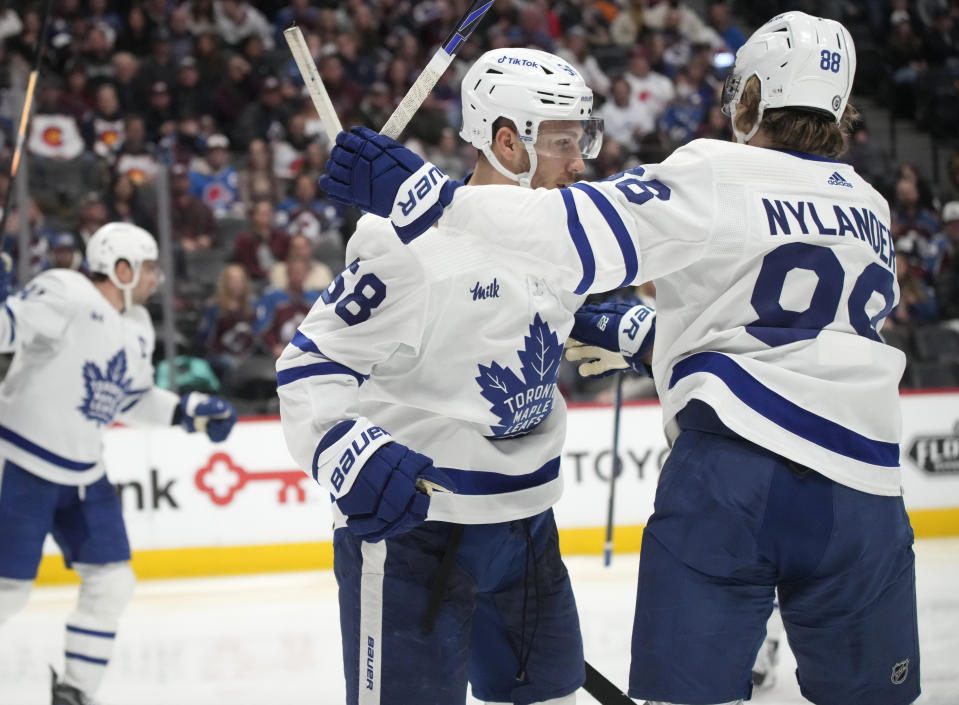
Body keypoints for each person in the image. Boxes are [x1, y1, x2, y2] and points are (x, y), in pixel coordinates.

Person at [321, 12, 920, 705]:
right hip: (868, 487)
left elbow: (565, 232)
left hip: (734, 476)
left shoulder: (716, 169)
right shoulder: (870, 204)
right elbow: (779, 322)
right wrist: (643, 329)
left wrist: (424, 196)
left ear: (750, 96)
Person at [278, 49, 645, 705]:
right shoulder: (405, 246)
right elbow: (311, 360)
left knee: (550, 696)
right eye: (565, 141)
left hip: (527, 524)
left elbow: (533, 298)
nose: (580, 159)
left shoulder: (562, 231)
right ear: (507, 141)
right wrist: (341, 449)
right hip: (418, 532)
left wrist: (610, 324)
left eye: (581, 139)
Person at [0, 223, 238, 705]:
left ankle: (75, 694)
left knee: (112, 582)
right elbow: (8, 330)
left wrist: (184, 412)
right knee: (8, 592)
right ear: (121, 268)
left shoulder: (136, 328)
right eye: (149, 268)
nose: (157, 278)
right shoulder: (64, 290)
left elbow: (128, 400)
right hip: (22, 464)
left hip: (85, 475)